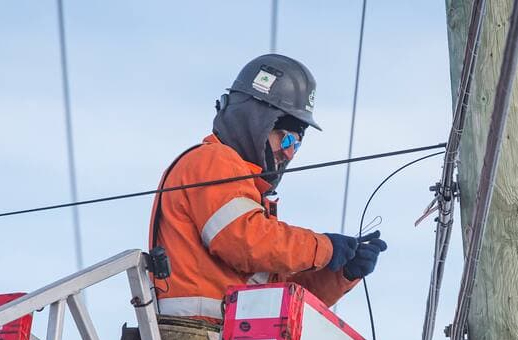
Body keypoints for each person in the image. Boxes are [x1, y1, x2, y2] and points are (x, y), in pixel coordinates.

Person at [147, 53, 388, 321]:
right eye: (286, 140)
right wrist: (325, 248)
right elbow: (246, 241)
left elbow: (282, 299)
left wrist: (340, 274)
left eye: (297, 145)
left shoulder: (246, 191)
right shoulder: (213, 160)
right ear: (256, 120)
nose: (289, 154)